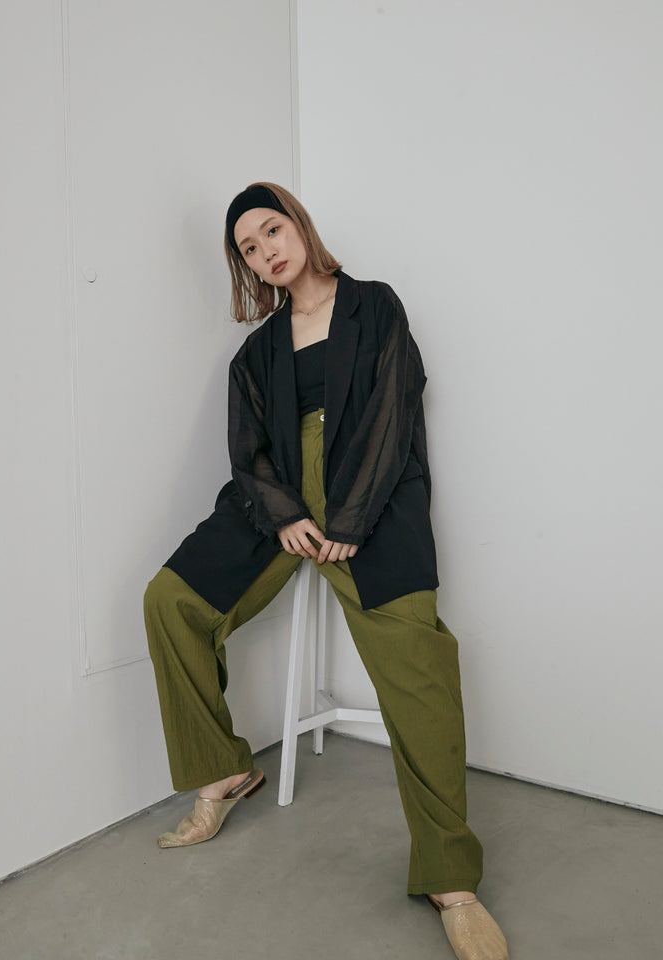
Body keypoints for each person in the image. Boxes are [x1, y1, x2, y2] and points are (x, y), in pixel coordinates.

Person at [143, 182, 509, 960]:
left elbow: (393, 410)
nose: (266, 251)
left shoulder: (375, 306)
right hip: (279, 507)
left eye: (272, 230)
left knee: (422, 670)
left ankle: (451, 878)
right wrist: (282, 514)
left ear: (300, 226)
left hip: (368, 499)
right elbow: (248, 452)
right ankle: (222, 773)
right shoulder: (256, 354)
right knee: (170, 600)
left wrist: (350, 519)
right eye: (248, 248)